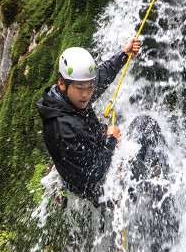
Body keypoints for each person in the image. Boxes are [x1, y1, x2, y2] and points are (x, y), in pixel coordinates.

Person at [36, 38, 141, 204]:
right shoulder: (66, 127)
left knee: (130, 121)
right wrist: (110, 140)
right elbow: (94, 173)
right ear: (62, 83)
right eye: (80, 89)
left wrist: (123, 54)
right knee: (146, 126)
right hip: (93, 184)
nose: (86, 95)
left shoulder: (66, 97)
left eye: (89, 88)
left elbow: (100, 77)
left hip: (85, 154)